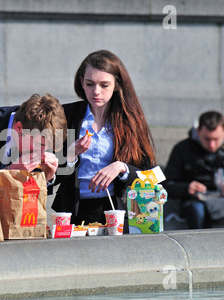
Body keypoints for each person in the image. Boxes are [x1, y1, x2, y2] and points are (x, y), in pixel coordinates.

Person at [52, 50, 156, 227]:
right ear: (81, 83)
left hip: (119, 210)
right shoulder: (66, 115)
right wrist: (71, 155)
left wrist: (122, 168)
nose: (96, 92)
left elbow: (154, 176)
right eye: (90, 84)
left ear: (116, 85)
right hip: (74, 211)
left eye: (104, 85)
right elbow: (49, 176)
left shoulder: (130, 120)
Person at [164, 111, 224, 229]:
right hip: (197, 201)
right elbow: (167, 184)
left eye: (216, 139)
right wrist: (187, 188)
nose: (211, 145)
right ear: (198, 131)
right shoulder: (183, 149)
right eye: (207, 139)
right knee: (197, 211)